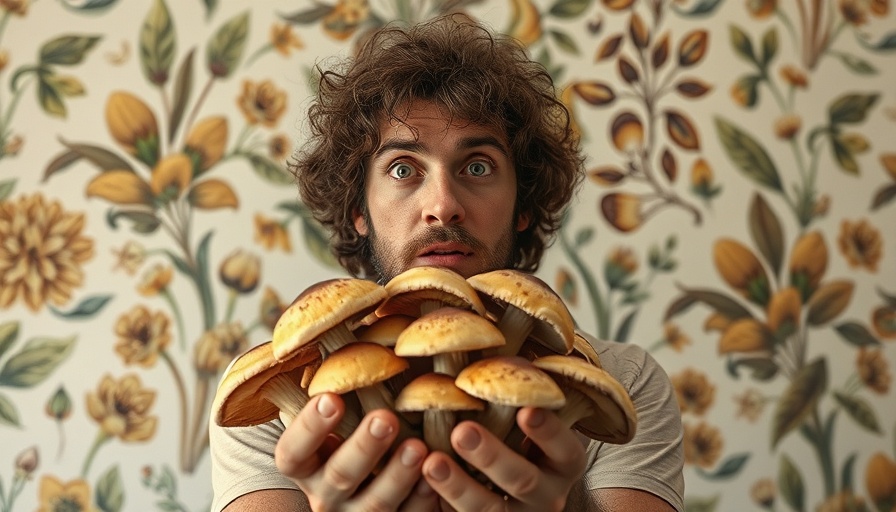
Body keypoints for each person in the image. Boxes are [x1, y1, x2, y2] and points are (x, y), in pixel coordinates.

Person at [209, 14, 684, 512]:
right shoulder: (279, 394)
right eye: (402, 169)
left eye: (477, 166)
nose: (443, 204)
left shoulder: (622, 381)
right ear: (358, 210)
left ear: (522, 205)